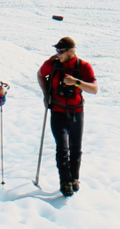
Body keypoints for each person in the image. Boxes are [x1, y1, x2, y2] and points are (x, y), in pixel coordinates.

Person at [38, 37, 98, 196]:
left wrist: (76, 82)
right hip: (57, 111)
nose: (58, 54)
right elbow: (40, 75)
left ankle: (74, 179)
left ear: (71, 51)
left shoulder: (83, 66)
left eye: (61, 51)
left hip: (76, 112)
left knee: (76, 148)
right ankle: (65, 182)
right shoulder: (52, 64)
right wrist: (46, 94)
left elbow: (94, 89)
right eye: (57, 50)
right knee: (62, 148)